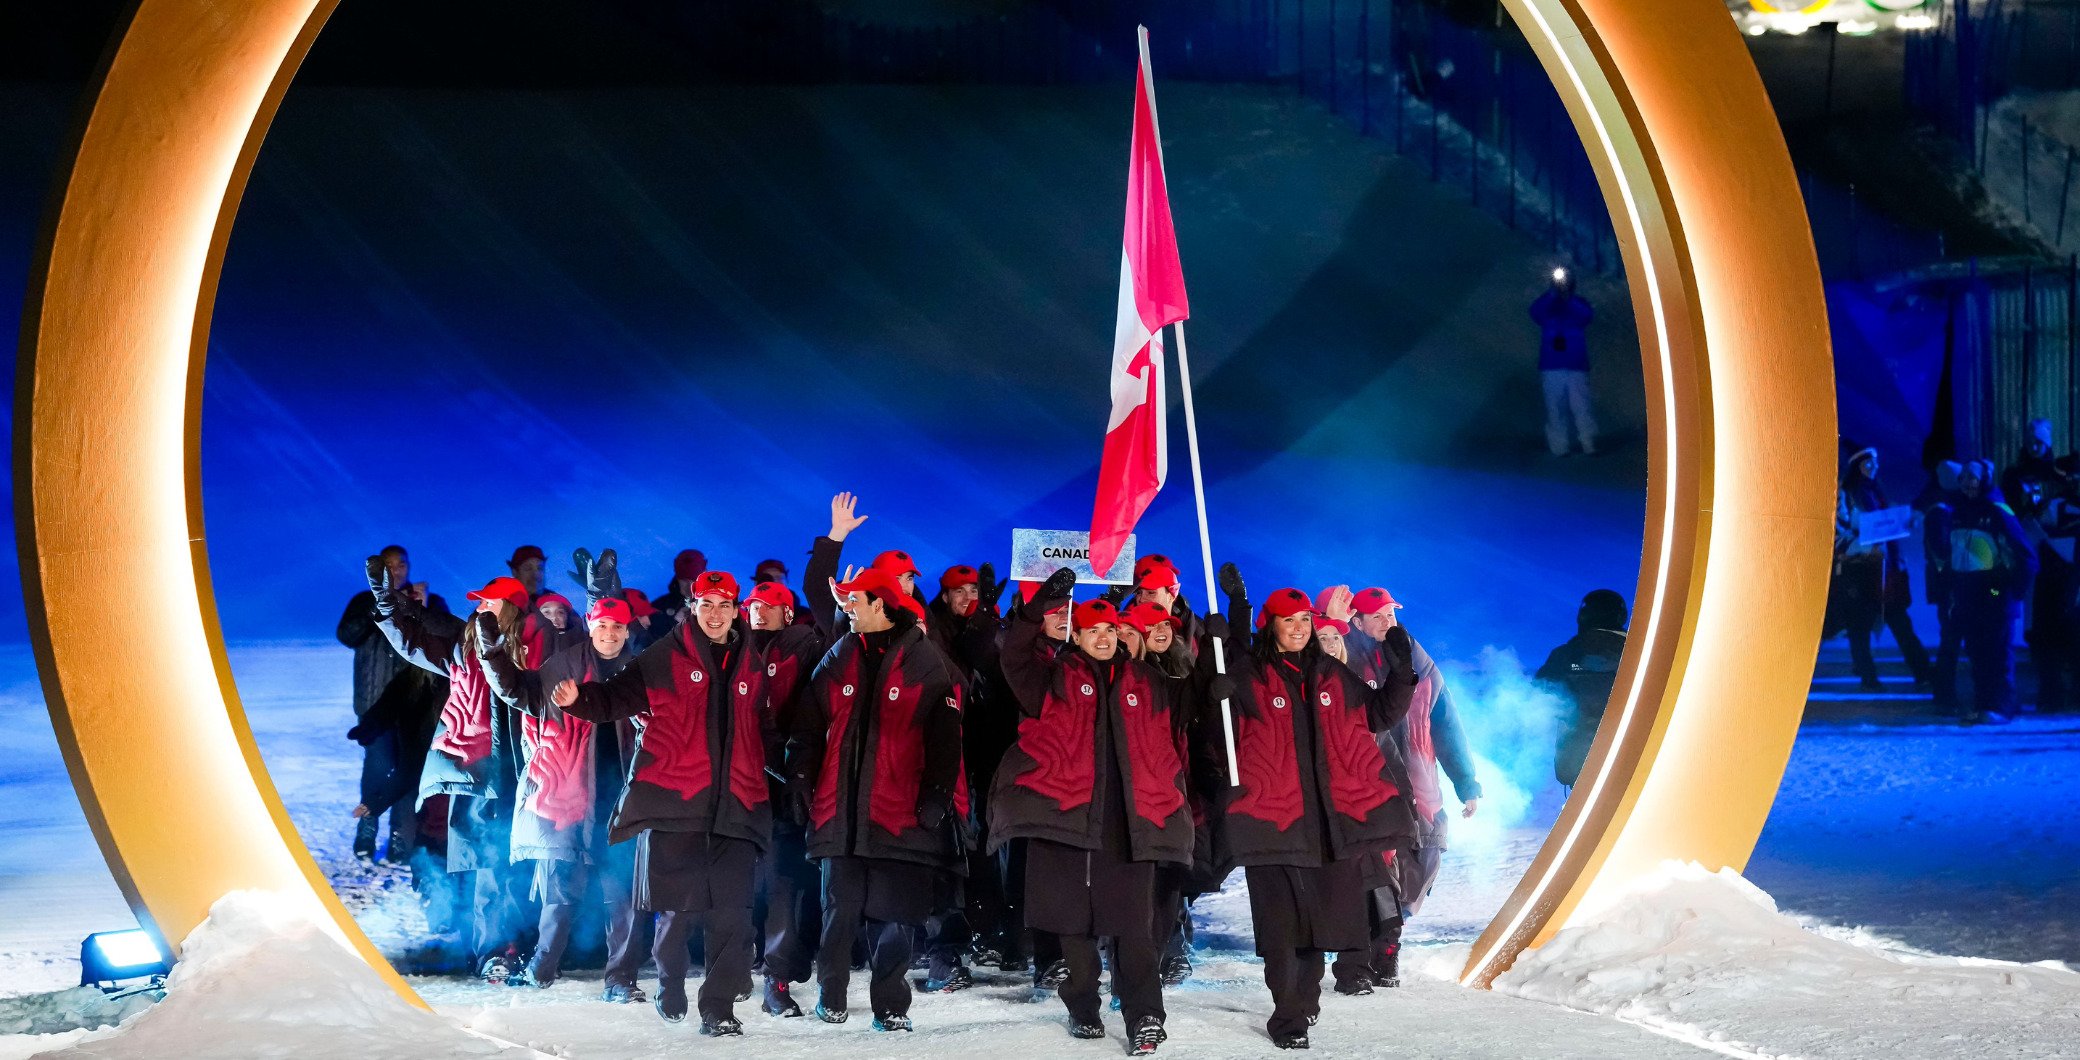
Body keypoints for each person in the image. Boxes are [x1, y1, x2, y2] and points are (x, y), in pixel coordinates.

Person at [548, 569, 775, 1035]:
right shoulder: (665, 655)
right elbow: (616, 697)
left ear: (736, 610)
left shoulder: (751, 660)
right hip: (675, 803)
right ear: (693, 608)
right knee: (676, 910)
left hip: (736, 805)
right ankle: (670, 983)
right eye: (706, 604)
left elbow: (765, 727)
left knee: (733, 915)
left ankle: (718, 1009)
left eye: (724, 605)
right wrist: (579, 699)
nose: (715, 614)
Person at [1208, 566, 1418, 1050]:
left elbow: (1377, 714)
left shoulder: (1329, 673)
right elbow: (1216, 741)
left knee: (1322, 924)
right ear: (1270, 624)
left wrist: (1401, 672)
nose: (1300, 628)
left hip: (1327, 826)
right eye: (1290, 620)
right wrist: (1211, 690)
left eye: (1305, 619)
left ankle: (1304, 1001)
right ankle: (1288, 1016)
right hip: (1268, 823)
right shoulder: (1247, 674)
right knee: (1281, 929)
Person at [989, 570, 1190, 1054]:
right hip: (1066, 819)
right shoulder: (1051, 678)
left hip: (1130, 823)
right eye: (1091, 630)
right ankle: (1082, 1006)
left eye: (1109, 630)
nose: (1102, 638)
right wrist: (1039, 605)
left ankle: (1145, 1016)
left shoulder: (1146, 678)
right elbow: (1013, 655)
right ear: (1075, 634)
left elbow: (1183, 707)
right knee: (1074, 923)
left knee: (1134, 928)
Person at [784, 565, 962, 1032]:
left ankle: (891, 1006)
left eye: (854, 601)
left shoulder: (925, 661)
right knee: (837, 913)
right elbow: (806, 728)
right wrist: (802, 777)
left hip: (901, 814)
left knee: (896, 917)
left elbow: (946, 737)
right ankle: (832, 995)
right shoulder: (839, 654)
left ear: (879, 604)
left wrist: (937, 796)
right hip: (839, 812)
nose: (847, 609)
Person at [366, 558, 532, 983]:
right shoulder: (465, 651)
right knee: (482, 863)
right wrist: (388, 606)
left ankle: (513, 948)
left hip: (521, 771)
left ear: (511, 609)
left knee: (509, 867)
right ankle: (491, 952)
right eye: (478, 604)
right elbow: (415, 642)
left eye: (489, 603)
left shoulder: (532, 650)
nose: (479, 610)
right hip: (472, 772)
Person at [476, 576, 637, 992]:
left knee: (623, 898)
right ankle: (541, 969)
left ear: (627, 630)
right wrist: (491, 648)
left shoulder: (638, 670)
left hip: (621, 799)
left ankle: (620, 979)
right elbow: (516, 691)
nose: (609, 633)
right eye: (602, 625)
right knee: (560, 897)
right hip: (567, 797)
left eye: (617, 627)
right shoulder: (563, 666)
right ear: (590, 623)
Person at [1328, 587, 1481, 994]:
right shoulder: (1343, 659)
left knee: (1420, 869)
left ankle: (1385, 942)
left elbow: (1446, 723)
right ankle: (1374, 954)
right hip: (1368, 785)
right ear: (1356, 622)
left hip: (1420, 785)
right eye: (1376, 615)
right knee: (1376, 872)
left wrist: (1466, 782)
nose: (1386, 621)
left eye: (1390, 614)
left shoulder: (1419, 660)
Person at [740, 579, 830, 1019]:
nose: (760, 611)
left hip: (784, 784)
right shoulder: (729, 649)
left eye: (770, 605)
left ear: (788, 613)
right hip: (735, 785)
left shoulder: (806, 647)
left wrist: (794, 769)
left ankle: (777, 974)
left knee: (783, 883)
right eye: (754, 605)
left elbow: (810, 715)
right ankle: (740, 967)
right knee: (737, 883)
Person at [337, 545, 450, 861]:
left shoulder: (429, 600)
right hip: (374, 701)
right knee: (378, 764)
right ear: (379, 571)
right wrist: (380, 605)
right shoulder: (364, 601)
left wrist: (421, 608)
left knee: (410, 766)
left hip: (417, 702)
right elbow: (348, 635)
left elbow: (444, 637)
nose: (396, 570)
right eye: (389, 565)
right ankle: (368, 826)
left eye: (401, 564)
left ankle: (403, 834)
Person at [1833, 445, 1934, 692]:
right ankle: (1869, 678)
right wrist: (1864, 544)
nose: (1874, 467)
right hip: (1860, 572)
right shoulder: (1847, 496)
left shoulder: (1876, 492)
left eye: (1875, 463)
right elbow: (1839, 533)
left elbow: (1886, 530)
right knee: (1859, 627)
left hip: (1885, 572)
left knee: (1899, 622)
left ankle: (1923, 672)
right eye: (1868, 463)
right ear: (1858, 466)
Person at [1944, 461, 2038, 724]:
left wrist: (2011, 592)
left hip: (1995, 592)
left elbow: (2027, 558)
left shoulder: (1998, 511)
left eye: (1972, 478)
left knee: (1998, 651)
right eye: (1963, 478)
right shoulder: (1960, 511)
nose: (1967, 483)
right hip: (1968, 594)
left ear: (1984, 479)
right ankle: (1983, 704)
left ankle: (2002, 706)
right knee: (1977, 651)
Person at [2004, 420, 2080, 714]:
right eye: (2031, 441)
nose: (2035, 446)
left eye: (2040, 441)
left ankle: (2062, 690)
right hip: (2040, 562)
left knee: (2064, 629)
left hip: (2064, 569)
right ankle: (2051, 692)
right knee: (2041, 628)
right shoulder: (2015, 476)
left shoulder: (2057, 475)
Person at [1539, 589, 1629, 788]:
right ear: (1621, 616)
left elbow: (1536, 699)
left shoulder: (1564, 655)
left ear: (1583, 616)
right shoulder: (1642, 653)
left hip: (1577, 765)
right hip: (1632, 762)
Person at [1529, 268, 1597, 456]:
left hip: (1575, 364)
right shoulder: (1547, 305)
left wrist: (1569, 297)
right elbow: (1534, 312)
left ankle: (1588, 442)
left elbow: (1587, 316)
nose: (1562, 283)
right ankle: (1559, 447)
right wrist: (1552, 295)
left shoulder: (1578, 304)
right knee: (1555, 407)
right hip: (1552, 365)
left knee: (1581, 406)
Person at [652, 549, 710, 628]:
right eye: (685, 581)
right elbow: (647, 637)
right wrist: (675, 622)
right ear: (678, 579)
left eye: (694, 581)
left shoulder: (720, 603)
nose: (690, 587)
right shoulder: (659, 606)